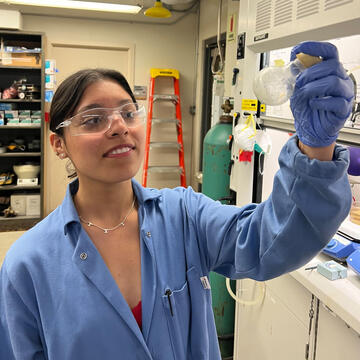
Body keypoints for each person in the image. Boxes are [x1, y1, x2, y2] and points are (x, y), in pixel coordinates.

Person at [0, 41, 354, 360]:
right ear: (58, 144)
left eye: (127, 112)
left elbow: (270, 239)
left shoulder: (183, 214)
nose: (119, 126)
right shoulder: (28, 265)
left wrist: (316, 147)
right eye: (94, 119)